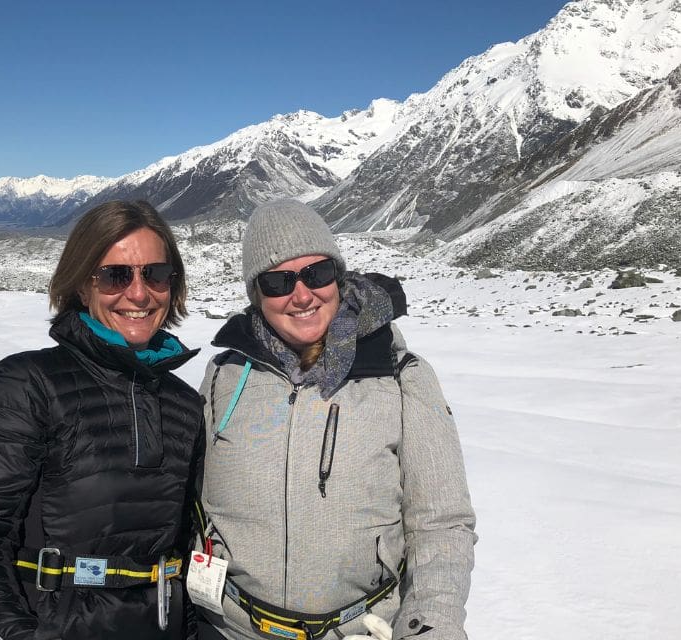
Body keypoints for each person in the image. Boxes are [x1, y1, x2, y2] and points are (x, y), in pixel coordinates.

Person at [192, 200, 476, 640]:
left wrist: (429, 625)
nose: (302, 294)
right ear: (256, 295)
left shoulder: (399, 378)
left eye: (317, 273)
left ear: (338, 277)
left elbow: (441, 522)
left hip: (359, 630)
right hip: (227, 630)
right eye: (278, 281)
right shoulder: (225, 376)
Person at [0, 200, 204, 640]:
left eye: (155, 274)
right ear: (83, 284)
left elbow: (186, 548)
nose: (139, 294)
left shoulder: (183, 404)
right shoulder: (27, 384)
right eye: (115, 275)